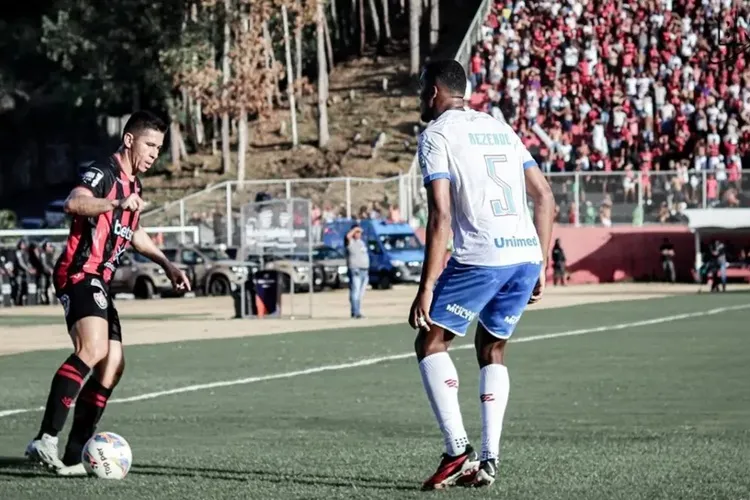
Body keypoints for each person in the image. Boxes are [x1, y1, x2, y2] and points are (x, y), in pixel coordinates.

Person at [408, 60, 554, 490]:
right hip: (524, 254)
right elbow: (544, 195)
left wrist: (427, 286)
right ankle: (489, 459)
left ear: (434, 92)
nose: (420, 99)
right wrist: (542, 261)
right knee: (491, 348)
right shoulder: (500, 127)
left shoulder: (435, 135)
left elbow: (441, 214)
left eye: (421, 90)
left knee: (430, 340)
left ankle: (456, 451)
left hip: (483, 254)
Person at [25, 110, 191, 476]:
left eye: (160, 148)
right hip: (79, 271)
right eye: (150, 144)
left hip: (100, 279)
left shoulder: (135, 184)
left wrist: (167, 264)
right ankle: (45, 439)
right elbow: (74, 202)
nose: (154, 153)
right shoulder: (104, 172)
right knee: (93, 350)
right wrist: (115, 203)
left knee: (112, 366)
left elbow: (133, 231)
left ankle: (74, 455)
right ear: (130, 140)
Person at [344, 223, 369, 318]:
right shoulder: (350, 242)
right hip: (356, 270)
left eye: (359, 232)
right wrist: (354, 229)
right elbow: (348, 236)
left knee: (360, 293)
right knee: (355, 291)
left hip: (364, 270)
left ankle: (357, 310)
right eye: (357, 232)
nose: (359, 234)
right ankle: (355, 312)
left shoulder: (361, 242)